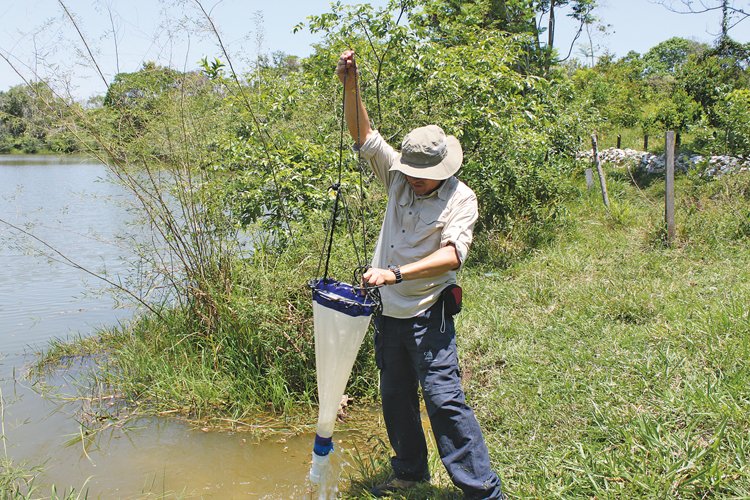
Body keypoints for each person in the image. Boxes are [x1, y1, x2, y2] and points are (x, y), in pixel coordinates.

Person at [335, 50, 505, 499]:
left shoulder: (461, 199)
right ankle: (410, 474)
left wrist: (395, 273)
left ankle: (483, 491)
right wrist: (352, 85)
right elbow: (365, 134)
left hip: (429, 312)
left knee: (445, 402)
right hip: (389, 315)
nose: (413, 180)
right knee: (395, 398)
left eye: (422, 176)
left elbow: (453, 255)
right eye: (409, 173)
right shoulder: (397, 177)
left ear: (443, 170)